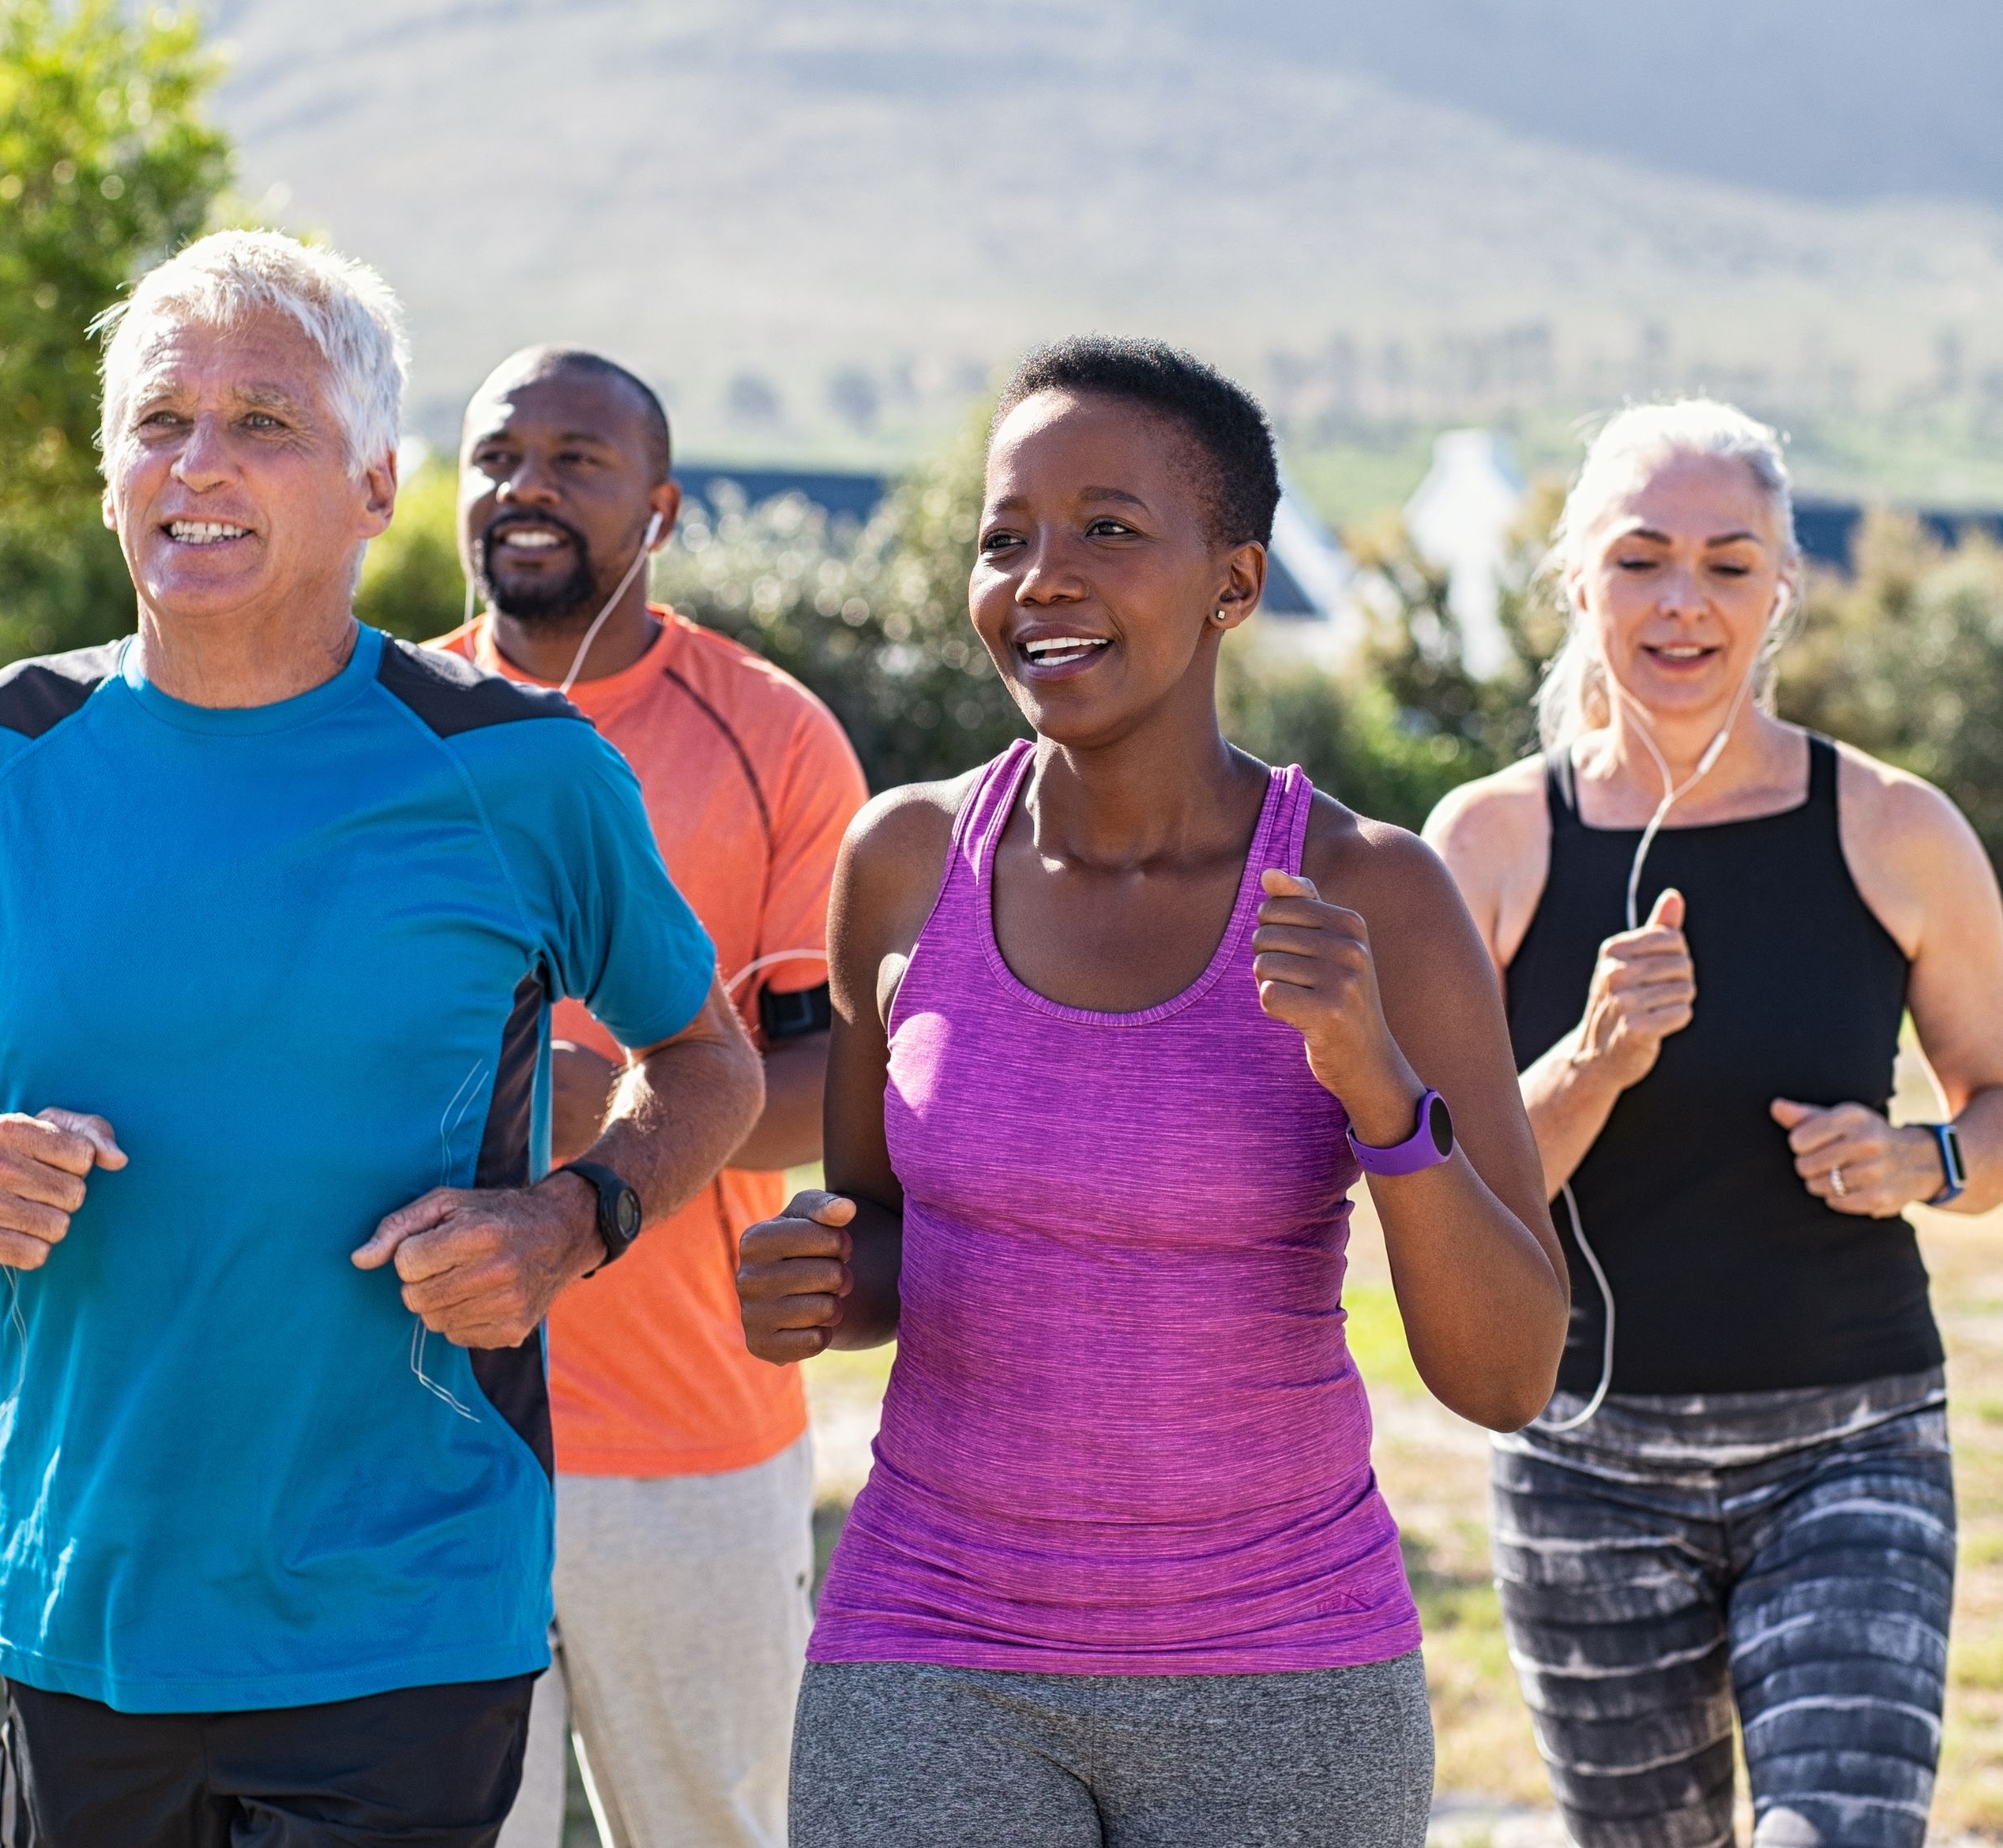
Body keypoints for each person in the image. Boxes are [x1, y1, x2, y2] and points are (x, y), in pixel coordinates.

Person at [0, 230, 764, 1848]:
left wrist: (570, 1218)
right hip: (84, 1610)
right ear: (109, 476)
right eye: (160, 422)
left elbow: (709, 1060)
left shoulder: (519, 769)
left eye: (263, 422)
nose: (199, 463)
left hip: (408, 1615)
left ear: (376, 486)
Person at [735, 337, 1568, 1848]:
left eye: (1107, 528)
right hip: (930, 1640)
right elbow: (880, 1243)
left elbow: (1507, 1373)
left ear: (1233, 583)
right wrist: (815, 1276)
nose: (1040, 577)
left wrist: (1379, 1085)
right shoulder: (902, 861)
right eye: (1005, 537)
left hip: (1282, 1671)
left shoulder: (1373, 890)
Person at [1426, 398, 2003, 1848]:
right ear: (1579, 582)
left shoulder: (1895, 827)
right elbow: (1438, 1191)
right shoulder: (1485, 845)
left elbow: (1998, 1099)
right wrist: (1593, 1061)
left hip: (1853, 1447)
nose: (1683, 599)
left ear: (1781, 589)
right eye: (1642, 559)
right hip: (1582, 1464)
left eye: (1728, 564)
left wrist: (1925, 1158)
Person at [433, 346, 867, 1848]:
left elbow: (839, 1084)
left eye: (578, 459)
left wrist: (610, 1110)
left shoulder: (775, 734)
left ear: (661, 509)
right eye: (500, 456)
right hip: (414, 1434)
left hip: (689, 1437)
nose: (528, 487)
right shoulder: (371, 725)